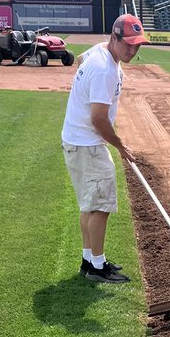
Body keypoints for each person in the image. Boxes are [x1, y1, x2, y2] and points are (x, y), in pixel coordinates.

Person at [61, 14, 148, 283]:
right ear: (115, 37)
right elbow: (98, 118)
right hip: (88, 143)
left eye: (137, 45)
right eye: (128, 44)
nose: (132, 51)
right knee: (100, 205)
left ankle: (90, 260)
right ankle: (97, 268)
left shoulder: (99, 52)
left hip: (79, 141)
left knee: (90, 204)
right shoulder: (104, 70)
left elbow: (80, 60)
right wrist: (121, 146)